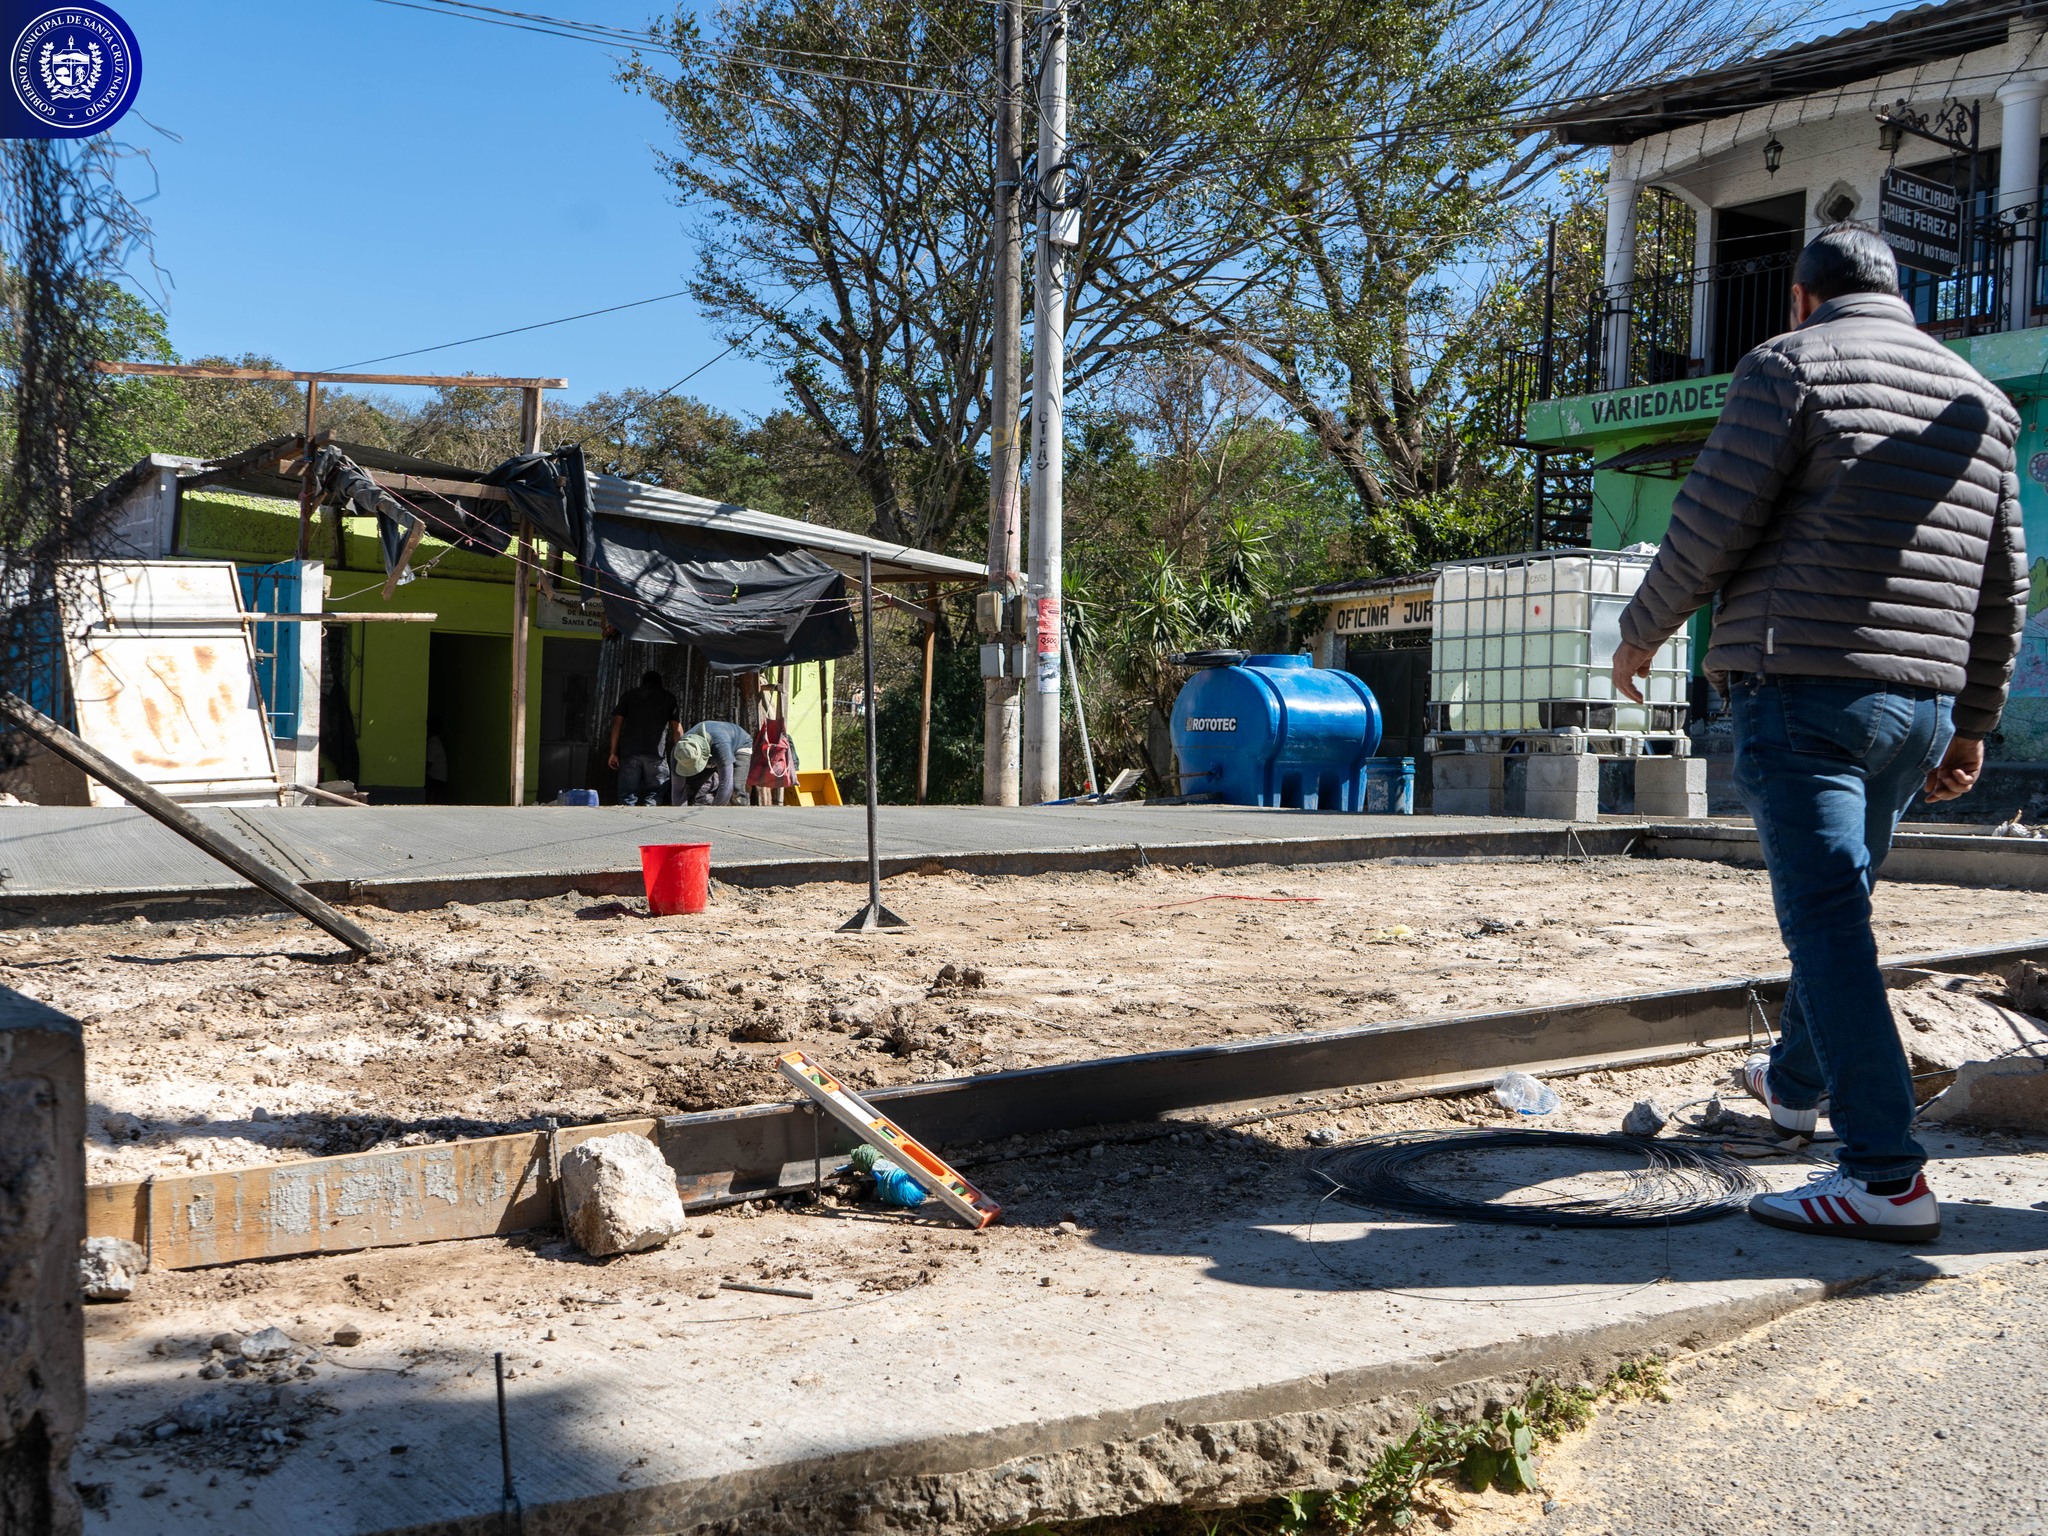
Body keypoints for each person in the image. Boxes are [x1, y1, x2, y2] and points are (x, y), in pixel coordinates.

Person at [1610, 225, 2025, 1244]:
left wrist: (1641, 630)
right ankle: (1792, 1093)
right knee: (1841, 905)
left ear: (1801, 297)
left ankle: (1884, 1177)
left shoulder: (1787, 366)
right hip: (1919, 710)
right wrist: (1972, 724)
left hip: (1801, 687)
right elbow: (2000, 587)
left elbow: (1710, 520)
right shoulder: (1987, 404)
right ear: (1900, 297)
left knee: (1827, 925)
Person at [607, 670, 679, 806]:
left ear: (643, 682)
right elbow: (677, 729)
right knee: (655, 794)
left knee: (627, 795)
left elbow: (617, 724)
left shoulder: (629, 696)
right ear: (660, 683)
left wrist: (613, 753)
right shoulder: (668, 698)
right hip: (656, 755)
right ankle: (648, 817)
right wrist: (680, 755)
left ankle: (626, 817)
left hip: (630, 753)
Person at [676, 718, 753, 806]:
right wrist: (679, 810)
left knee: (736, 789)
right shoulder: (679, 751)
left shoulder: (721, 747)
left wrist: (716, 811)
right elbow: (677, 789)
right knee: (697, 791)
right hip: (710, 746)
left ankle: (740, 811)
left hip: (740, 743)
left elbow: (726, 784)